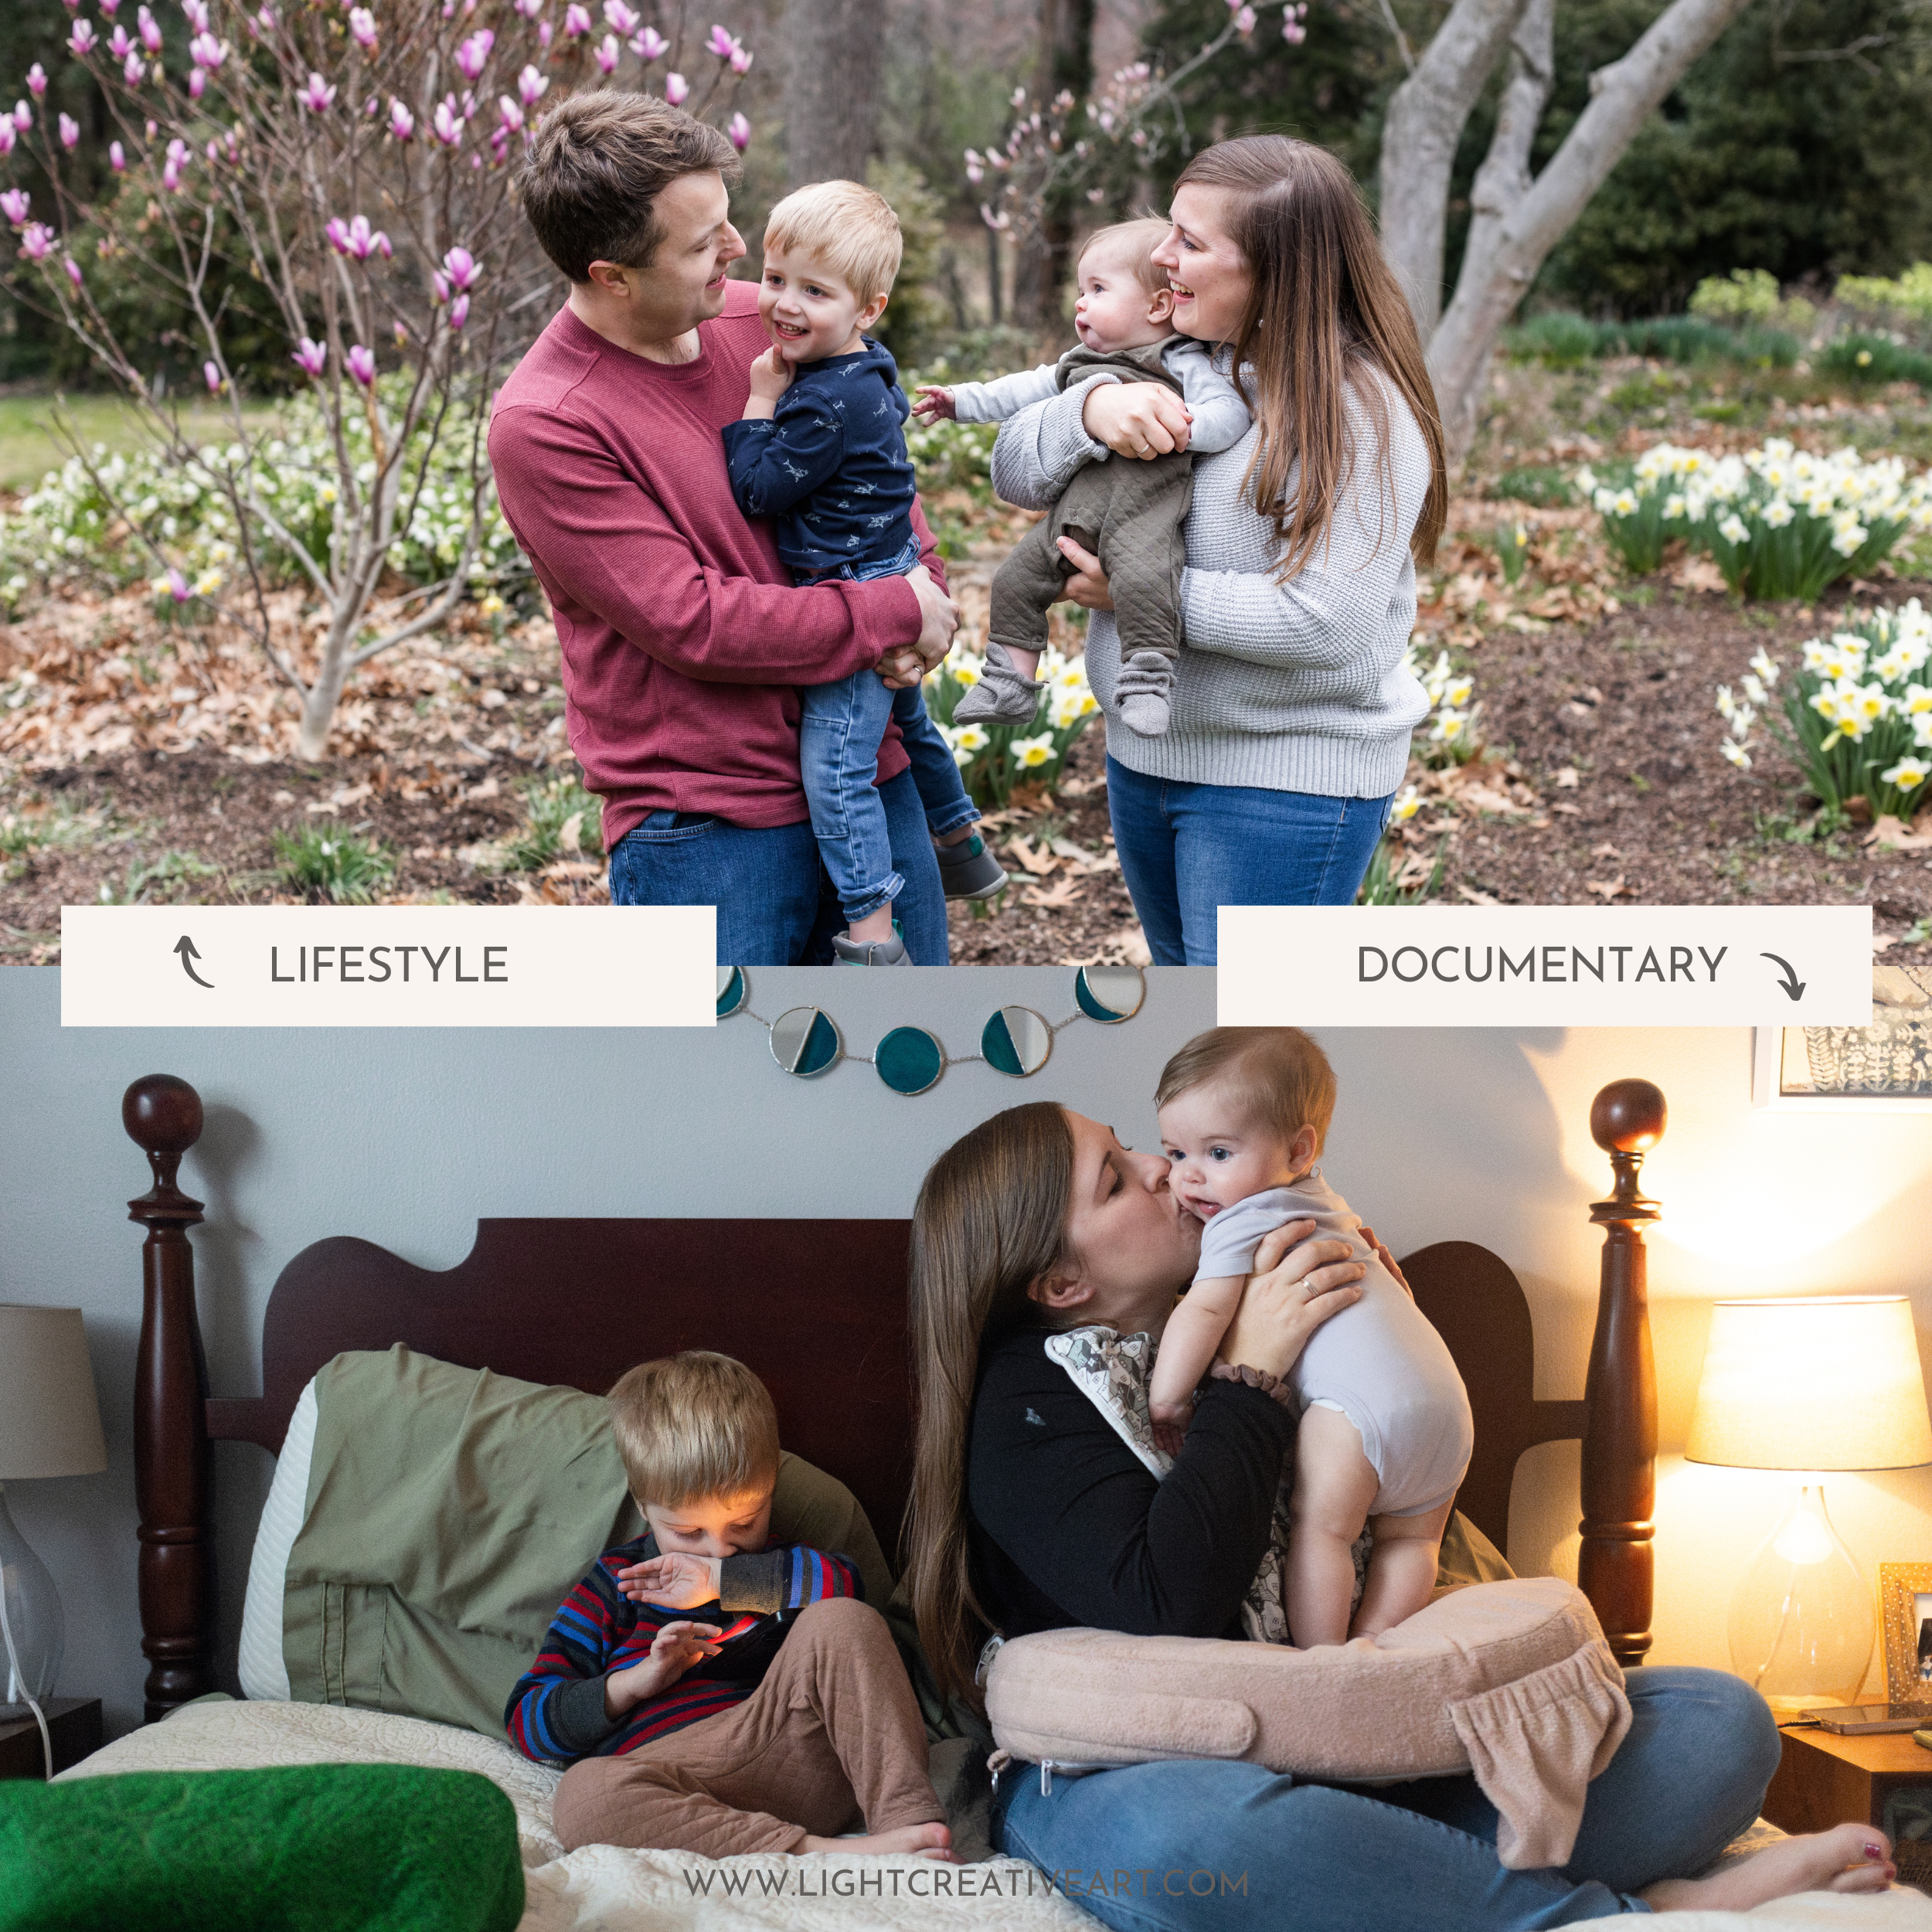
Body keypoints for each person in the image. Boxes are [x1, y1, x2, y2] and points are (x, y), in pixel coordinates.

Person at [903, 1099, 1897, 1930]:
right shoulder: (1024, 1401)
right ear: (1062, 1283)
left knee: (1718, 1722)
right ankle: (1613, 1917)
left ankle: (1423, 1886)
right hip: (1133, 1766)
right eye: (1115, 1179)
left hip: (1369, 1742)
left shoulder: (1261, 1292)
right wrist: (1250, 1376)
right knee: (1204, 1844)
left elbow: (1394, 1497)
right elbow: (1170, 1599)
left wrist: (1364, 1335)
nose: (1160, 1168)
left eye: (1131, 1145)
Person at [488, 91, 962, 965]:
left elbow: (878, 478)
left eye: (728, 221)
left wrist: (923, 583)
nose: (740, 252)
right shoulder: (548, 421)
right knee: (729, 1099)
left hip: (865, 774)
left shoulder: (769, 317)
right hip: (710, 830)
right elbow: (694, 621)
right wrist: (897, 611)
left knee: (914, 1084)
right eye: (706, 242)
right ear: (612, 275)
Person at [988, 137, 1451, 959]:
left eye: (1190, 243)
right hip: (1144, 754)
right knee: (1190, 1015)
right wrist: (1089, 411)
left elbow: (1325, 624)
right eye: (1170, 230)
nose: (1160, 257)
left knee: (1243, 1051)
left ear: (1276, 268)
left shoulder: (1360, 413)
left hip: (1286, 782)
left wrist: (1137, 592)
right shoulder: (1174, 361)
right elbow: (1015, 472)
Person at [512, 1350, 954, 1862]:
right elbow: (527, 1721)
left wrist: (722, 1581)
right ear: (642, 1505)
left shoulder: (779, 1569)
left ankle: (913, 1831)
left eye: (744, 1522)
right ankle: (818, 1852)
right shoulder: (616, 1584)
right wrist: (635, 1683)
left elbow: (847, 1592)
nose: (719, 1547)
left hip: (791, 1753)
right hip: (674, 1784)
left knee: (843, 1618)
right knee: (581, 1795)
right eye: (687, 1532)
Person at [721, 181, 1007, 967]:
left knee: (837, 769)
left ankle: (874, 933)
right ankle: (958, 837)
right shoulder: (869, 369)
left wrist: (755, 405)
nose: (780, 304)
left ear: (868, 309)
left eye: (814, 291)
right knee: (910, 723)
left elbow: (759, 489)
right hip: (890, 558)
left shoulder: (819, 403)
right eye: (775, 278)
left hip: (853, 577)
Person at [1148, 1026, 1472, 1648]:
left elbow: (1206, 1311)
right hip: (1448, 1408)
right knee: (1413, 1540)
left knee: (1324, 1532)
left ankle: (1324, 1663)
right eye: (1176, 1154)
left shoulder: (1243, 1218)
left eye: (1217, 1154)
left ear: (1299, 1150)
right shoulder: (1325, 1203)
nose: (1189, 1179)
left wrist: (1167, 1399)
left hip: (1359, 1413)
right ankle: (1377, 1646)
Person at [912, 219, 1250, 739]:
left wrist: (1183, 428)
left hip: (1147, 511)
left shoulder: (1182, 363)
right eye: (1079, 290)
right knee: (1015, 580)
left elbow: (1230, 413)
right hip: (1075, 513)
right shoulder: (1078, 364)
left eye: (1098, 290)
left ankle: (1147, 681)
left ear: (1158, 306)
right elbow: (1019, 391)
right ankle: (1010, 681)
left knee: (1144, 582)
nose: (1080, 304)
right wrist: (960, 401)